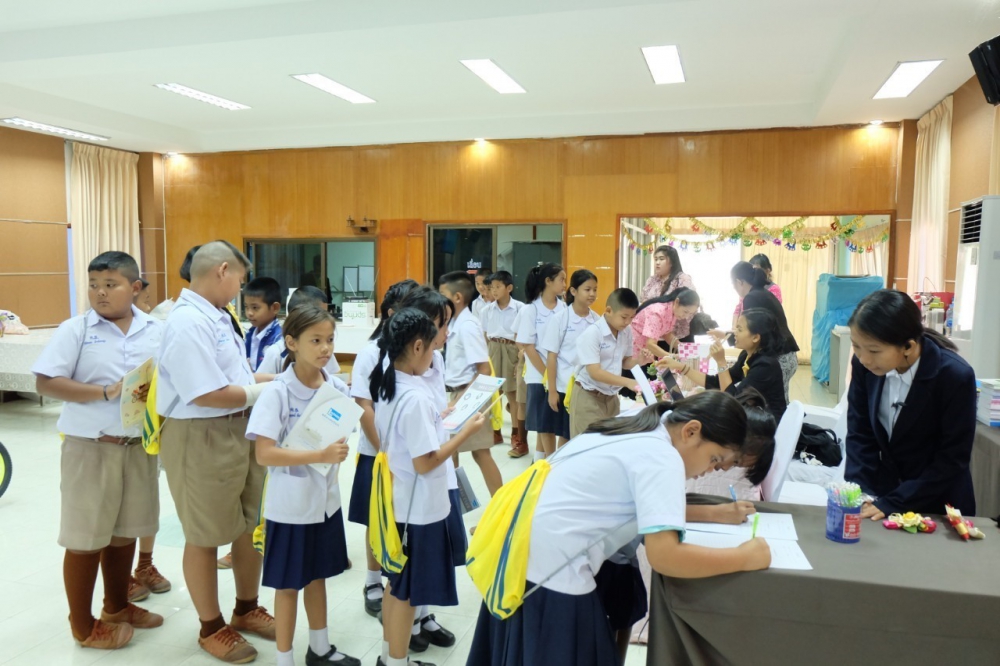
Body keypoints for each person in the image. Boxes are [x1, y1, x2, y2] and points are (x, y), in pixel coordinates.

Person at [466, 392, 771, 666]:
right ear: (691, 431)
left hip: (520, 546)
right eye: (714, 460)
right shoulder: (663, 457)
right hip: (551, 569)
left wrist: (713, 514)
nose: (708, 471)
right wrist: (745, 557)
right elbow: (666, 556)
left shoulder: (645, 420)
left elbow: (643, 505)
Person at [32, 251, 165, 650]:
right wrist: (105, 392)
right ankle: (82, 626)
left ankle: (117, 607)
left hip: (138, 446)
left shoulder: (156, 330)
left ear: (135, 288)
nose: (100, 293)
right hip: (90, 447)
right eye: (93, 285)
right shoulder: (75, 330)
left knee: (125, 532)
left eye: (110, 285)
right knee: (85, 537)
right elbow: (46, 382)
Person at [156, 241, 274, 663]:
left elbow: (236, 377)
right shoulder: (187, 322)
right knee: (204, 534)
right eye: (240, 279)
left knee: (248, 525)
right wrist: (265, 391)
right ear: (223, 270)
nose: (241, 288)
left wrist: (285, 381)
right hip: (200, 435)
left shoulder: (219, 315)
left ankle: (246, 607)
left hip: (240, 428)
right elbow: (205, 393)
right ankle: (211, 626)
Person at [369, 309, 487, 666]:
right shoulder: (414, 397)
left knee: (397, 585)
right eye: (433, 348)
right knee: (407, 593)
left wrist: (442, 417)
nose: (436, 354)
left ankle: (390, 658)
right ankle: (397, 660)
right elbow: (426, 461)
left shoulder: (391, 383)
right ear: (418, 346)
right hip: (419, 511)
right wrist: (465, 432)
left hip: (402, 500)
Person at [245, 305, 360, 666]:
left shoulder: (336, 387)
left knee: (318, 576)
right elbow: (264, 454)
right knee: (288, 585)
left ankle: (320, 649)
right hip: (290, 506)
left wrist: (332, 449)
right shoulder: (278, 393)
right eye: (316, 340)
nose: (326, 348)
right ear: (292, 343)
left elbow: (342, 430)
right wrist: (319, 454)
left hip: (325, 502)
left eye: (330, 340)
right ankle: (285, 659)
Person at [844, 290, 977, 520]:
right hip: (883, 498)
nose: (864, 359)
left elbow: (951, 459)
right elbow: (860, 432)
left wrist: (895, 502)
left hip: (938, 505)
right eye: (856, 346)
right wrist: (861, 491)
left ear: (908, 346)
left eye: (874, 350)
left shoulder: (954, 376)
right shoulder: (866, 368)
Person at [349, 280, 419, 618]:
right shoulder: (371, 352)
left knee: (407, 517)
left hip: (412, 450)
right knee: (376, 516)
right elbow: (363, 405)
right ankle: (372, 580)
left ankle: (405, 585)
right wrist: (385, 451)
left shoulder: (418, 349)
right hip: (377, 451)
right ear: (392, 313)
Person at [659, 308, 788, 423]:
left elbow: (734, 400)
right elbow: (716, 382)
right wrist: (680, 366)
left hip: (765, 428)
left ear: (755, 337)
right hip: (750, 417)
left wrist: (721, 362)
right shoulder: (747, 355)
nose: (734, 332)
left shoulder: (766, 366)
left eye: (739, 329)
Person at [439, 271, 503, 497]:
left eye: (443, 295)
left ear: (457, 297)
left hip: (468, 396)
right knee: (450, 454)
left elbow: (483, 370)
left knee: (481, 453)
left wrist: (461, 402)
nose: (439, 300)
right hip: (455, 395)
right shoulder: (454, 323)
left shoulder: (467, 325)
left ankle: (502, 508)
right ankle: (455, 507)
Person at [127, 279, 171, 603]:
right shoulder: (88, 330)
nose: (147, 304)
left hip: (146, 430)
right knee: (117, 510)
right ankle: (120, 574)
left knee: (147, 502)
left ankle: (145, 565)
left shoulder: (156, 327)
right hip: (107, 434)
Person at [719, 261, 799, 402]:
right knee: (779, 400)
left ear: (739, 282)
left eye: (733, 284)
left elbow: (753, 329)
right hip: (787, 354)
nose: (734, 288)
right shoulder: (762, 292)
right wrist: (725, 335)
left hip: (779, 356)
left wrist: (723, 354)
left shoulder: (751, 297)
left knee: (770, 403)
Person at [540, 269, 600, 448]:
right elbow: (552, 357)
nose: (592, 294)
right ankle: (552, 462)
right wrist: (552, 391)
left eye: (595, 289)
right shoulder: (560, 319)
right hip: (562, 385)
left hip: (585, 387)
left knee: (575, 434)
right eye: (587, 289)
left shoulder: (597, 320)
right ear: (573, 291)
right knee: (561, 433)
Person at [569, 288, 640, 438]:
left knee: (609, 444)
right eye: (624, 317)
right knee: (587, 445)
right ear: (608, 310)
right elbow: (595, 373)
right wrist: (627, 382)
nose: (628, 322)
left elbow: (625, 362)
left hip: (611, 397)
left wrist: (640, 360)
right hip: (588, 396)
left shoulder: (626, 331)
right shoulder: (592, 333)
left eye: (631, 318)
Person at [516, 263, 567, 459]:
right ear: (548, 281)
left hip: (560, 375)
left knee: (554, 423)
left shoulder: (564, 308)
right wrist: (547, 373)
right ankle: (544, 463)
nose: (565, 284)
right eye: (561, 279)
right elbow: (528, 346)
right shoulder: (531, 310)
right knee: (543, 425)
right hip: (538, 375)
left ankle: (541, 462)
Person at [480, 271, 527, 455]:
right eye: (492, 287)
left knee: (513, 393)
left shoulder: (520, 308)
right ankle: (496, 431)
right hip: (493, 347)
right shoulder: (486, 310)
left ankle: (515, 433)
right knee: (493, 393)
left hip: (511, 349)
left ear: (509, 288)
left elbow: (522, 335)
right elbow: (484, 335)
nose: (494, 290)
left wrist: (520, 358)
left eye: (498, 286)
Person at [257, 286, 342, 379]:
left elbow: (334, 376)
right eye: (316, 340)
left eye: (330, 340)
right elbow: (257, 380)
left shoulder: (324, 350)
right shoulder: (276, 352)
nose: (324, 319)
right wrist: (288, 378)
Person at [640, 245, 697, 342]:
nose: (657, 262)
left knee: (679, 352)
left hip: (679, 335)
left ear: (672, 262)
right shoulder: (652, 280)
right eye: (656, 259)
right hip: (654, 333)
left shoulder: (682, 279)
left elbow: (690, 303)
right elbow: (643, 301)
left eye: (661, 259)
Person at [630, 288, 701, 362]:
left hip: (644, 352)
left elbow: (667, 334)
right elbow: (650, 344)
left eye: (690, 314)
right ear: (677, 302)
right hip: (634, 348)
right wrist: (672, 356)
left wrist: (684, 348)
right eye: (685, 312)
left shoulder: (672, 311)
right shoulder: (657, 312)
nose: (686, 316)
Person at [244, 276, 284, 373]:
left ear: (275, 308)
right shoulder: (249, 334)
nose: (249, 313)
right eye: (246, 307)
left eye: (255, 308)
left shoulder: (279, 340)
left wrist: (250, 375)